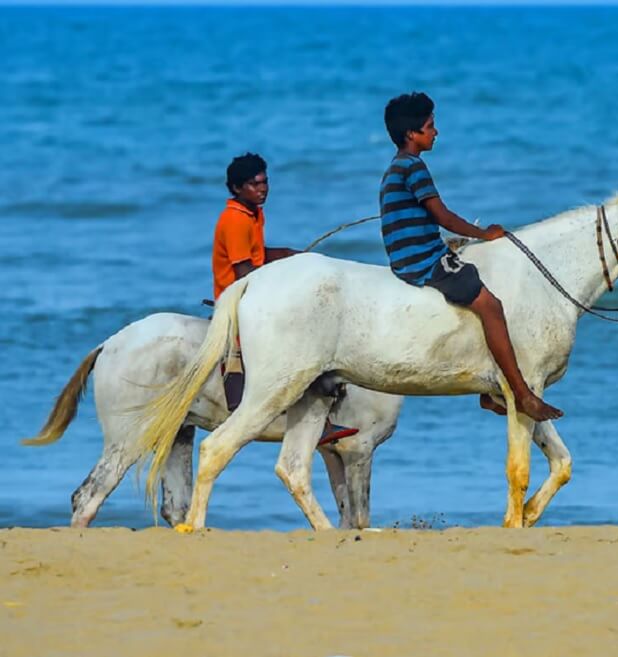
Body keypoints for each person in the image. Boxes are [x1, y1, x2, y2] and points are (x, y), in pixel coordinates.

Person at [380, 92, 563, 422]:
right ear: (412, 134)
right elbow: (443, 216)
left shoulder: (395, 168)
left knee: (478, 277)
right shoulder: (415, 168)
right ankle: (522, 395)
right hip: (423, 261)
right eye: (430, 126)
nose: (436, 132)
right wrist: (483, 235)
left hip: (410, 255)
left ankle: (491, 391)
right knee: (491, 305)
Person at [212, 153, 358, 444]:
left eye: (265, 182)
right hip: (239, 295)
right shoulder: (236, 220)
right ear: (237, 188)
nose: (263, 189)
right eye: (255, 185)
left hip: (251, 286)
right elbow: (245, 273)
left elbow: (258, 254)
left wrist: (291, 255)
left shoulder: (253, 212)